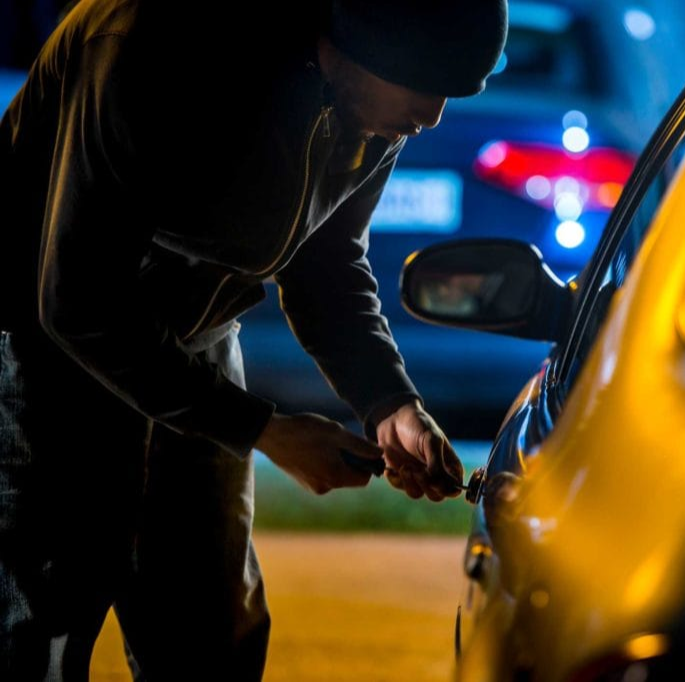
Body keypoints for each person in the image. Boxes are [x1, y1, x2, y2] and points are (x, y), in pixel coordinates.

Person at [0, 0, 509, 679]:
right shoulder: (145, 46)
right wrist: (262, 429)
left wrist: (390, 403)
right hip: (40, 359)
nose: (434, 115)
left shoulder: (376, 111)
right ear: (359, 40)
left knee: (211, 635)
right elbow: (78, 300)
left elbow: (327, 266)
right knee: (39, 635)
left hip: (200, 345)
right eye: (426, 85)